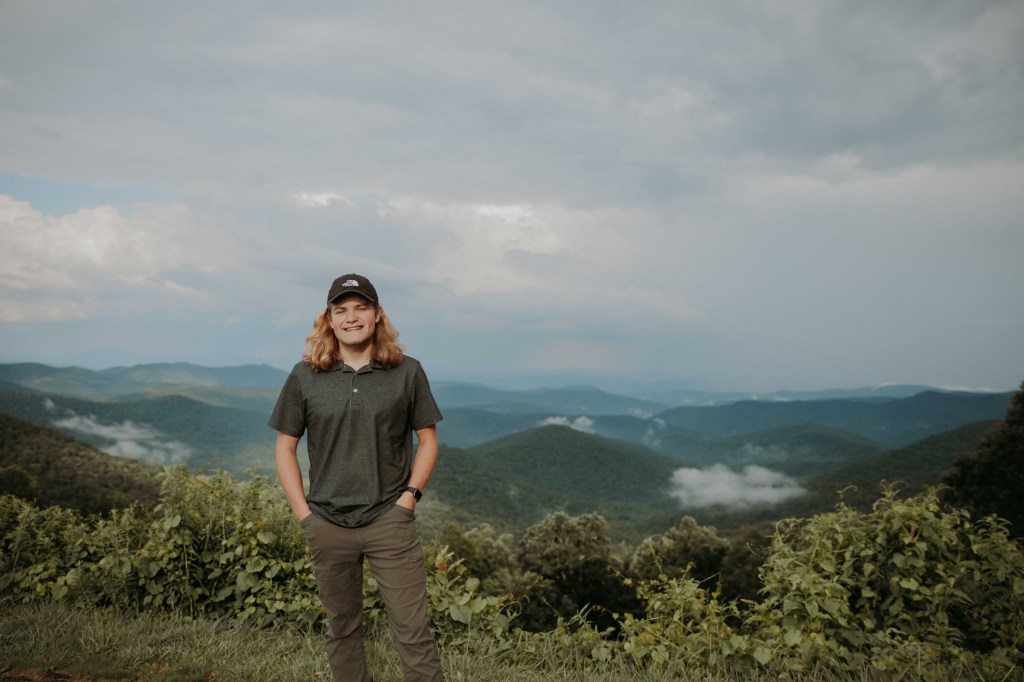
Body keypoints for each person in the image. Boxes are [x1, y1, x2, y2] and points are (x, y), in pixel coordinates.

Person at [269, 273, 444, 682]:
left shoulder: (407, 372)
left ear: (377, 314)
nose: (351, 317)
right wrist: (304, 515)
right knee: (342, 629)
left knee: (413, 631)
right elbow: (284, 448)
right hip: (326, 522)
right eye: (341, 310)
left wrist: (408, 499)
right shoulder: (304, 375)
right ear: (329, 319)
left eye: (360, 308)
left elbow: (428, 440)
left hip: (389, 521)